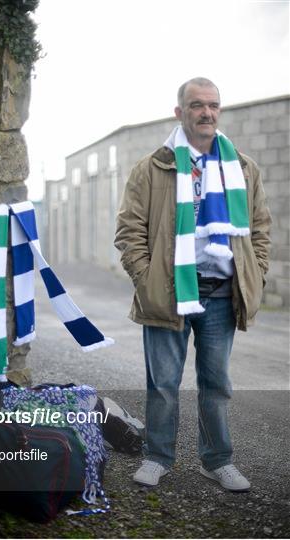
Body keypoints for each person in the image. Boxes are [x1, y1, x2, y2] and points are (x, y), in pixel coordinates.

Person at [114, 77, 271, 491]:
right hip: (168, 292)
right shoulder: (152, 167)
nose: (207, 112)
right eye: (197, 105)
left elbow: (259, 230)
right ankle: (157, 457)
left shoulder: (243, 168)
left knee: (216, 384)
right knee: (163, 384)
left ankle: (216, 460)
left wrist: (257, 272)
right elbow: (129, 230)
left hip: (221, 293)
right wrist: (146, 279)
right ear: (179, 112)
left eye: (214, 105)